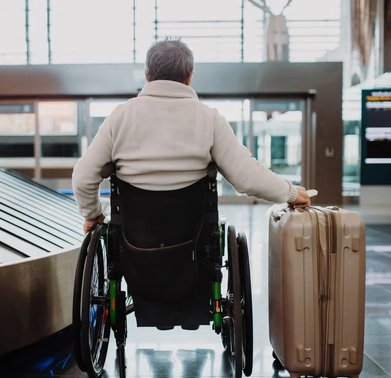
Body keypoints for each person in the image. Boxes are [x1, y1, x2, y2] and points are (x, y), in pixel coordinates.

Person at [72, 38, 310, 233]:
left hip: (133, 248)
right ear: (189, 76)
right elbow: (246, 177)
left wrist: (93, 214)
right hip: (193, 248)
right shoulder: (209, 119)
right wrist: (289, 191)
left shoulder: (120, 117)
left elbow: (83, 177)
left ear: (147, 75)